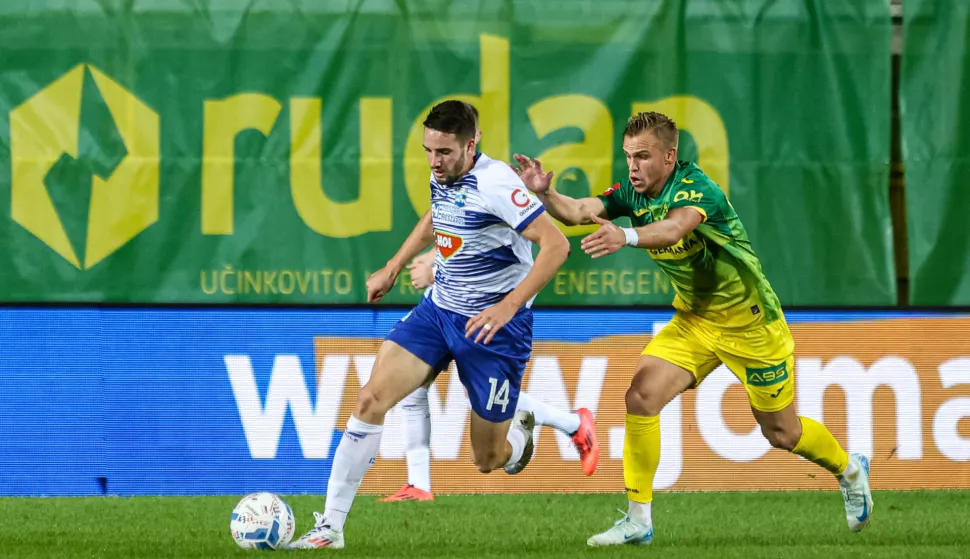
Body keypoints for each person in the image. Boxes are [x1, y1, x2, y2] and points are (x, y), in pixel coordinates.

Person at [511, 111, 873, 547]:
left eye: (643, 157)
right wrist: (546, 192)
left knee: (783, 434)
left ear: (670, 156)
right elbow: (579, 211)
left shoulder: (697, 188)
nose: (633, 167)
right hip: (694, 322)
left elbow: (674, 228)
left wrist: (625, 237)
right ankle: (638, 520)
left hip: (750, 325)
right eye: (628, 157)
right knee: (640, 397)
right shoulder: (631, 191)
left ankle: (849, 469)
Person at [288, 100, 571, 549]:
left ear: (470, 145)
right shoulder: (443, 172)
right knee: (369, 400)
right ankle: (331, 528)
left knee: (488, 458)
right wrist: (394, 265)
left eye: (444, 152)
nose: (434, 161)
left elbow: (557, 245)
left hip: (493, 329)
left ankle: (522, 431)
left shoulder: (497, 183)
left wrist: (508, 307)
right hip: (438, 313)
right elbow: (436, 215)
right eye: (428, 151)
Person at [380, 246, 599, 502]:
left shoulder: (520, 210)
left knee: (484, 445)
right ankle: (418, 485)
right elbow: (453, 220)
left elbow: (554, 244)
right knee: (413, 385)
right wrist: (434, 257)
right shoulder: (468, 208)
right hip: (448, 304)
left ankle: (569, 424)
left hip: (489, 311)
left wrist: (438, 271)